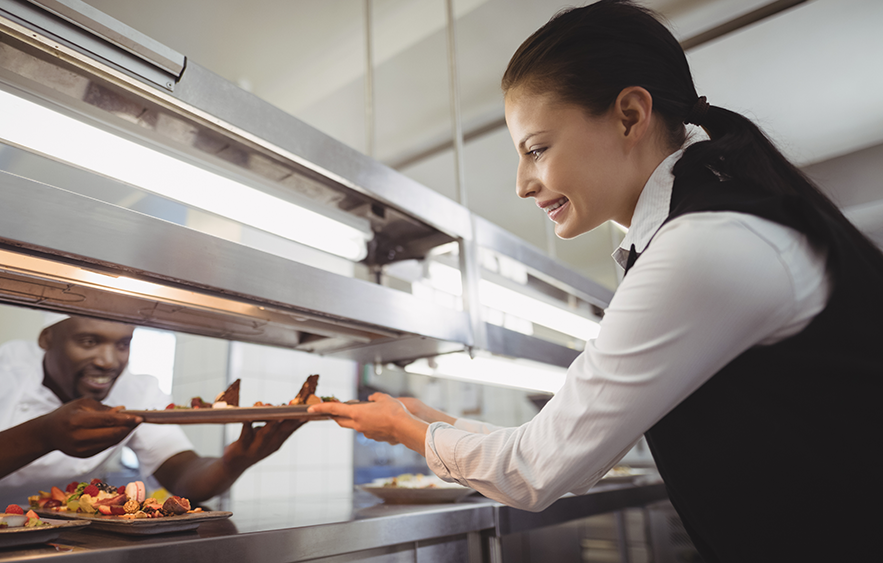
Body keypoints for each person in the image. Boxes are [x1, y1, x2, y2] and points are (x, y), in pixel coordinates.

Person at [311, 1, 882, 560]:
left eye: (536, 149)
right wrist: (429, 422)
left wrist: (404, 429)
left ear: (630, 115)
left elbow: (535, 469)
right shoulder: (704, 222)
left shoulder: (703, 246)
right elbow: (565, 446)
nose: (521, 184)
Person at [0, 315, 303, 509]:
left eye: (123, 343)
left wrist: (235, 461)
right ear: (48, 338)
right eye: (89, 341)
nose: (109, 360)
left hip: (62, 540)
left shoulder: (137, 388)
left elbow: (184, 477)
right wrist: (42, 435)